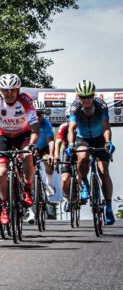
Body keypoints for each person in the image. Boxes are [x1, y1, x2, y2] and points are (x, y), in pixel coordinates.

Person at [0, 74, 39, 226]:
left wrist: (32, 144)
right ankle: (5, 206)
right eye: (6, 90)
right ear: (0, 89)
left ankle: (27, 188)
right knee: (0, 173)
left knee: (27, 154)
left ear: (18, 89)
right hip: (4, 136)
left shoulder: (26, 100)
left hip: (23, 135)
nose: (9, 93)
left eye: (13, 90)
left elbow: (34, 127)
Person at [67, 80, 116, 225]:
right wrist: (70, 144)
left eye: (89, 96)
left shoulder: (101, 105)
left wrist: (108, 142)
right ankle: (85, 185)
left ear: (94, 95)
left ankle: (108, 206)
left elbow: (106, 126)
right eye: (83, 97)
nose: (87, 100)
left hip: (99, 138)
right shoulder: (75, 107)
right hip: (83, 138)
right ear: (78, 96)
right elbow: (72, 128)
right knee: (82, 157)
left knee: (103, 170)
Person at [33, 100, 56, 202]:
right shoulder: (26, 122)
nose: (38, 116)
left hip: (43, 148)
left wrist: (51, 154)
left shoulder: (46, 123)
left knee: (48, 160)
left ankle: (49, 184)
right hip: (30, 147)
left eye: (40, 114)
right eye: (35, 114)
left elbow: (51, 141)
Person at [54, 108, 72, 213]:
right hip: (67, 153)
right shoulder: (63, 127)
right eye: (68, 118)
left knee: (79, 176)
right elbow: (58, 143)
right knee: (65, 179)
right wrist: (56, 156)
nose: (70, 120)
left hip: (79, 152)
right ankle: (68, 199)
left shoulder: (81, 126)